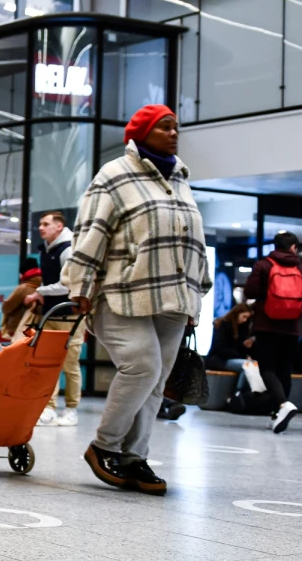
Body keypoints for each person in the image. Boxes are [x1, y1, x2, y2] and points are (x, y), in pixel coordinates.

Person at [65, 105, 210, 496]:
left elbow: (193, 236)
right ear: (141, 132)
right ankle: (104, 446)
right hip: (122, 292)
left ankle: (134, 456)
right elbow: (90, 231)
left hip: (175, 294)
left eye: (176, 127)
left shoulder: (180, 178)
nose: (174, 133)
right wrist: (80, 286)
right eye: (165, 127)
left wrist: (199, 289)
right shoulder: (115, 174)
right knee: (143, 365)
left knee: (158, 378)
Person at [244, 231, 302, 433]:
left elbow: (250, 291)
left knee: (267, 368)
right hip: (292, 328)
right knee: (284, 369)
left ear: (275, 246)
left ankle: (284, 405)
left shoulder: (263, 265)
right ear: (294, 247)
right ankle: (278, 413)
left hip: (266, 325)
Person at [28, 210, 85, 427]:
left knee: (70, 364)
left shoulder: (68, 249)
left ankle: (71, 409)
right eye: (40, 224)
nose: (41, 227)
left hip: (69, 314)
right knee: (48, 364)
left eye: (46, 224)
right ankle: (49, 408)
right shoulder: (47, 250)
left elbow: (67, 284)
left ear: (59, 227)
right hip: (50, 314)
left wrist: (40, 292)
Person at [206, 302, 254, 372]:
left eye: (247, 318)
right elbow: (220, 348)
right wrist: (242, 355)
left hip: (232, 358)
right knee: (248, 366)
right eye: (244, 316)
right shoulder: (223, 325)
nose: (245, 320)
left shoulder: (243, 328)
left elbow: (240, 347)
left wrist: (247, 347)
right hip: (219, 359)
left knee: (251, 366)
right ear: (237, 313)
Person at [1, 267, 43, 343]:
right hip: (36, 328)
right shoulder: (43, 290)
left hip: (18, 326)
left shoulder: (23, 288)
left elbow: (6, 308)